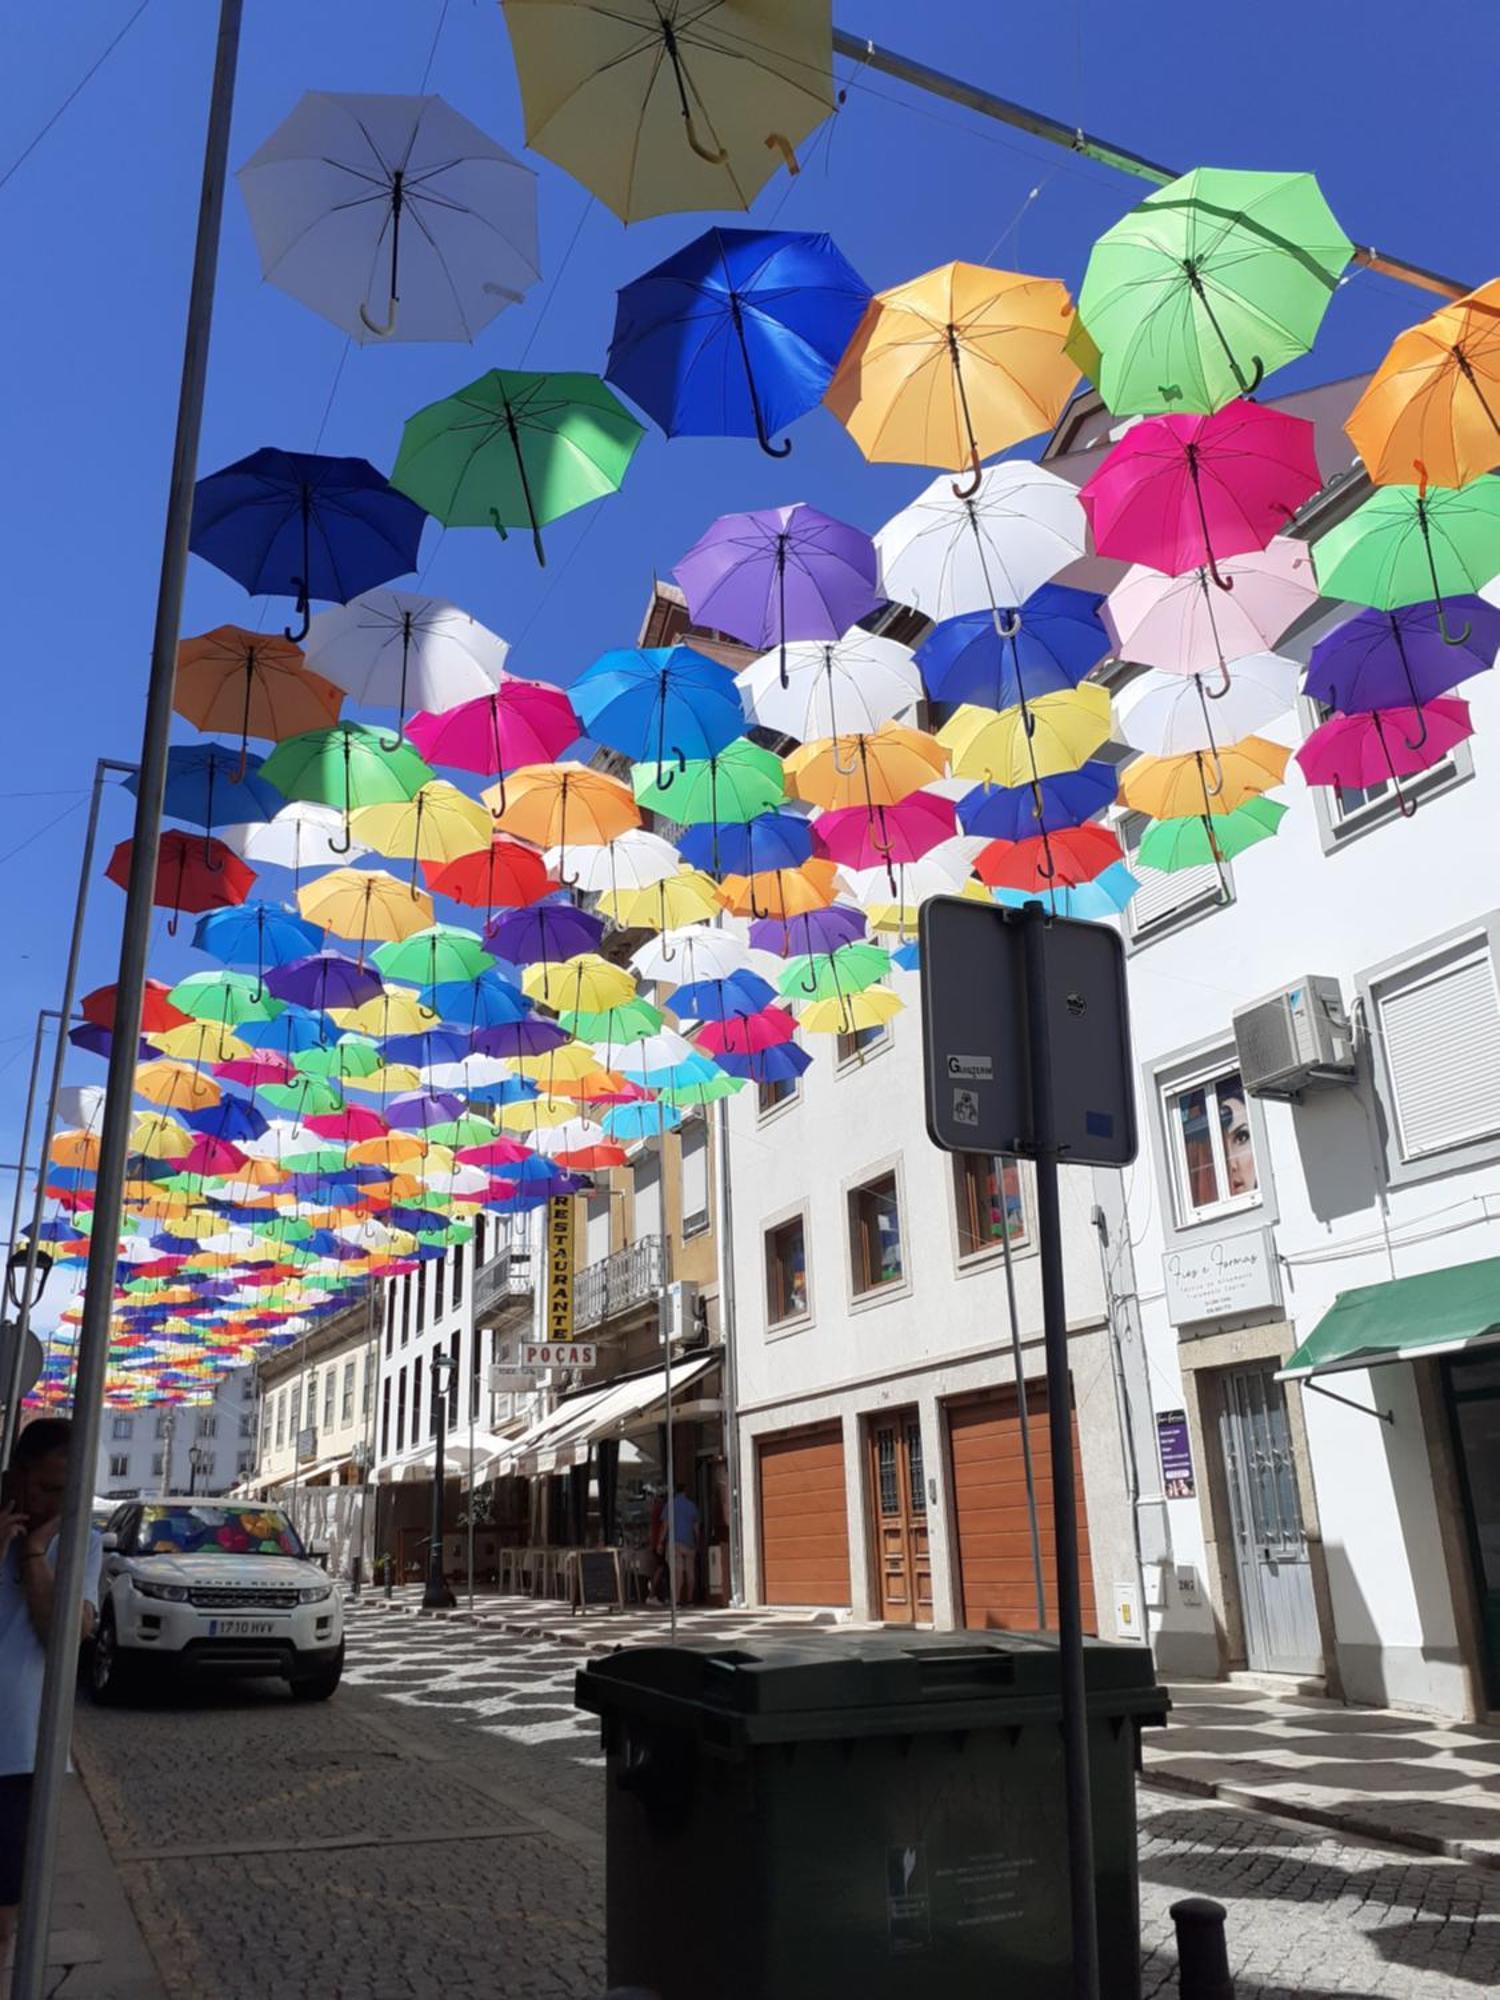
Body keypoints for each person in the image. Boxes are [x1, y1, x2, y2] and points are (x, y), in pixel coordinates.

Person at [0, 1419, 102, 1974]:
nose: (54, 1504)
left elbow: (63, 1634)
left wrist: (36, 1552)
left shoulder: (80, 1540)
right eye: (44, 1489)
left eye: (68, 1492)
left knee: (3, 1918)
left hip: (21, 1755)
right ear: (16, 1478)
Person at [667, 1482, 699, 1606]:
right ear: (685, 1490)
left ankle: (678, 1600)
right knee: (690, 1572)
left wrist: (659, 1542)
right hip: (689, 1543)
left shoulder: (670, 1505)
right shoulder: (691, 1505)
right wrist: (698, 1541)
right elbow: (696, 1527)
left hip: (676, 1543)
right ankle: (690, 1599)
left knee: (678, 1572)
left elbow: (666, 1525)